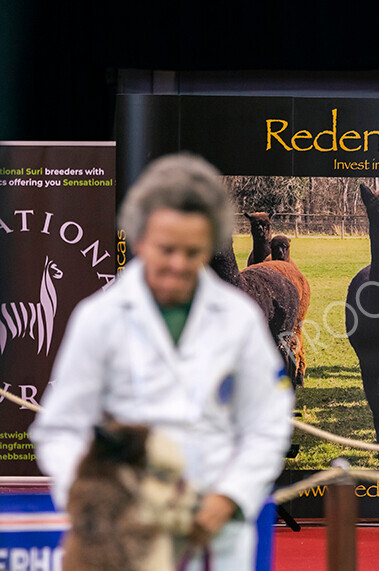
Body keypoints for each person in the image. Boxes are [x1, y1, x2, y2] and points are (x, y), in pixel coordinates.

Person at [29, 153, 294, 570]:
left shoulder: (238, 318)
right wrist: (95, 502)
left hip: (217, 533)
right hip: (126, 534)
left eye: (192, 252)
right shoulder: (99, 318)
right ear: (139, 239)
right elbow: (60, 429)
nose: (177, 264)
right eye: (165, 249)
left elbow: (268, 420)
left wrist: (230, 496)